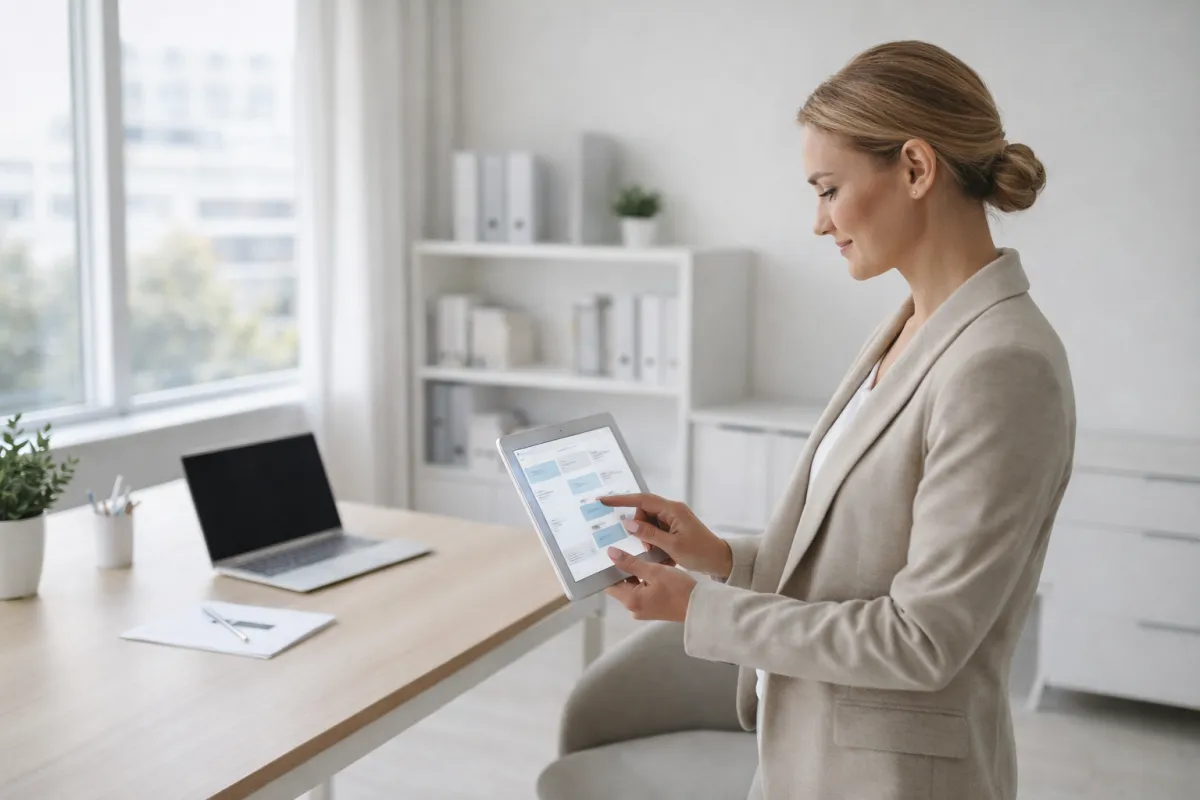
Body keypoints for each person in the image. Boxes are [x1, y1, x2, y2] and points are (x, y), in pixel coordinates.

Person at [597, 40, 1075, 800]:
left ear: (916, 169)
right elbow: (857, 560)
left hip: (889, 779)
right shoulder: (914, 325)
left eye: (827, 188)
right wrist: (720, 556)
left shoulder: (1001, 366)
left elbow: (921, 639)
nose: (818, 222)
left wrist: (702, 609)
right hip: (812, 757)